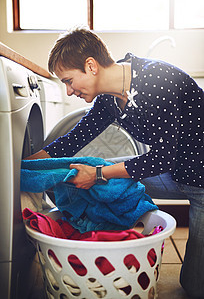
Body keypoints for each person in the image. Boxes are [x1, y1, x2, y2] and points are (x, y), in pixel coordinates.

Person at [27, 27, 203, 298]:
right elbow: (73, 139)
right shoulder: (109, 100)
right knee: (78, 172)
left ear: (90, 66)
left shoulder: (158, 80)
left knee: (194, 285)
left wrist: (98, 174)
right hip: (173, 172)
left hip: (199, 180)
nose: (69, 90)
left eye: (69, 80)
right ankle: (99, 236)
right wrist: (22, 167)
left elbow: (163, 156)